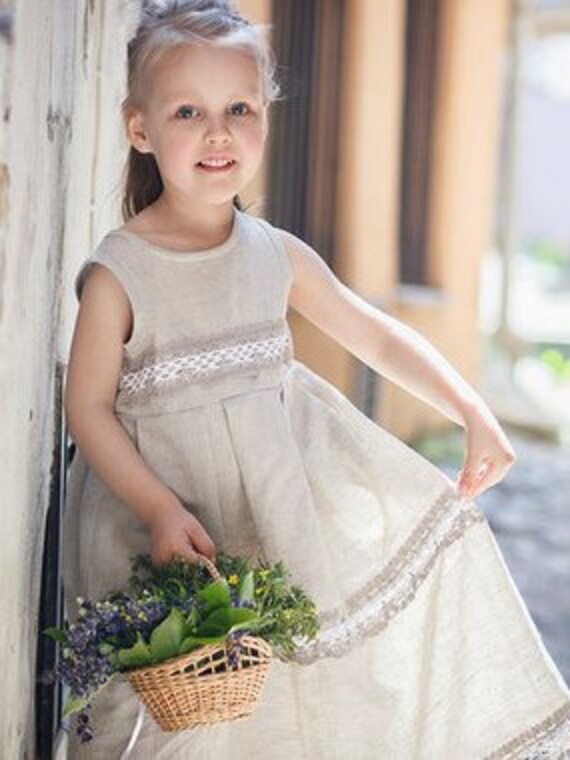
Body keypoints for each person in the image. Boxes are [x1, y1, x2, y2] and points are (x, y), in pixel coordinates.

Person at [60, 1, 570, 757]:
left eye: (239, 107)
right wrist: (160, 509)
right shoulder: (122, 273)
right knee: (175, 724)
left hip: (275, 530)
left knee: (283, 714)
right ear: (140, 129)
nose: (218, 132)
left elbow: (376, 334)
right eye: (189, 111)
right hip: (164, 540)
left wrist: (469, 407)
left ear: (265, 115)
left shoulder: (273, 254)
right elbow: (89, 409)